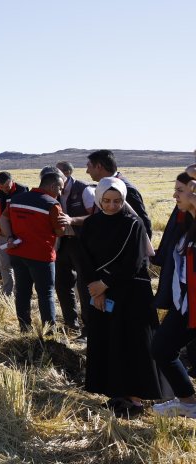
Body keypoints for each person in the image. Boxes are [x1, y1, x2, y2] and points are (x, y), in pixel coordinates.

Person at [81, 177, 171, 418]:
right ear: (99, 199)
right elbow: (84, 257)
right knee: (109, 340)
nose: (111, 206)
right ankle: (115, 393)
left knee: (132, 343)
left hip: (130, 293)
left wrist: (104, 284)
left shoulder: (133, 223)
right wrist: (94, 286)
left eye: (117, 201)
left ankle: (136, 399)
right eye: (107, 201)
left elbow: (133, 260)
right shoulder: (91, 223)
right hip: (100, 292)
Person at [152, 175, 196, 418]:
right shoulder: (185, 221)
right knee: (161, 348)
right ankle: (189, 403)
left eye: (180, 190)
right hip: (187, 304)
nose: (174, 196)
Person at [7, 168, 71, 332]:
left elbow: (4, 217)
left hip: (17, 252)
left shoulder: (17, 199)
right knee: (46, 294)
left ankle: (24, 328)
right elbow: (59, 232)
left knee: (22, 292)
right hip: (41, 255)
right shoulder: (52, 204)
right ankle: (49, 332)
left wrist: (10, 236)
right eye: (60, 188)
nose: (61, 192)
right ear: (52, 186)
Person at [55, 160, 96, 337]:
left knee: (84, 285)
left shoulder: (84, 189)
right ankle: (71, 323)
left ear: (67, 174)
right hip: (62, 242)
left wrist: (72, 220)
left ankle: (89, 328)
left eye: (58, 174)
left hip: (81, 243)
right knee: (62, 283)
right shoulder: (53, 191)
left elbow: (95, 218)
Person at [86, 149, 152, 236]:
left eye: (89, 166)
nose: (87, 171)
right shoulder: (103, 186)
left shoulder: (126, 189)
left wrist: (142, 248)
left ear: (98, 167)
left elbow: (143, 224)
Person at [0, 171, 27, 296]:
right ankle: (7, 292)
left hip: (18, 235)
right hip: (1, 234)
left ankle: (21, 292)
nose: (5, 190)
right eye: (2, 187)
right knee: (5, 264)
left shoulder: (22, 190)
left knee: (19, 264)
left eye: (7, 187)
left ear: (12, 181)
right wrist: (3, 226)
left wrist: (11, 231)